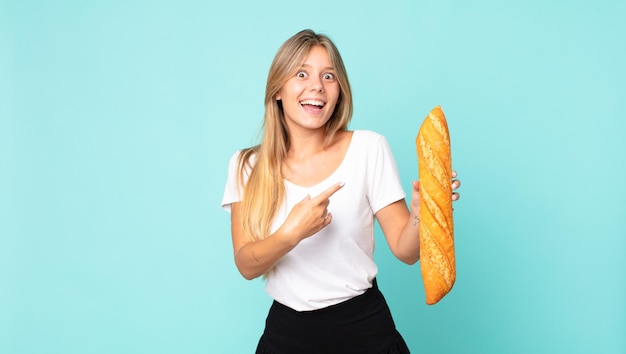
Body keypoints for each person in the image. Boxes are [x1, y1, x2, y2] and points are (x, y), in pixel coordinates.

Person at [222, 29, 461, 354]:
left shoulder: (368, 148)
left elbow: (407, 252)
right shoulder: (246, 165)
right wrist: (291, 233)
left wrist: (423, 212)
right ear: (278, 89)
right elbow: (246, 265)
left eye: (329, 76)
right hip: (286, 337)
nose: (316, 85)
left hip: (364, 332)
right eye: (301, 73)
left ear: (339, 91)